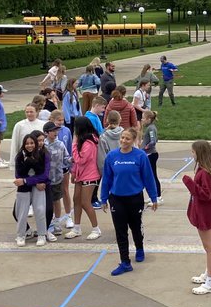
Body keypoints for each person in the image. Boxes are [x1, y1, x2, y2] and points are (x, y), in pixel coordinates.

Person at [100, 128, 159, 276]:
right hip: (116, 199)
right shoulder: (112, 156)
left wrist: (154, 197)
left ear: (133, 141)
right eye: (122, 138)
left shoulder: (140, 156)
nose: (124, 141)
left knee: (136, 227)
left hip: (135, 198)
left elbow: (148, 178)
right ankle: (125, 262)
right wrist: (104, 198)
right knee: (120, 231)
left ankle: (139, 248)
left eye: (127, 139)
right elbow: (107, 178)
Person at [183, 140, 211, 294]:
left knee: (209, 247)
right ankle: (208, 274)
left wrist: (189, 183)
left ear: (199, 153)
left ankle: (210, 282)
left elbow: (205, 194)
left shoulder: (205, 172)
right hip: (205, 212)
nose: (191, 154)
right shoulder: (205, 169)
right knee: (208, 246)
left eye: (193, 152)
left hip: (205, 214)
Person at [67, 116, 103, 241]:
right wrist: (73, 172)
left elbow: (80, 160)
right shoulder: (84, 140)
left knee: (85, 202)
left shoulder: (89, 143)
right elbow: (78, 162)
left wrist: (73, 144)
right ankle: (76, 228)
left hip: (90, 176)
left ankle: (96, 229)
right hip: (80, 175)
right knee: (76, 200)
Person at [140, 110, 161, 196]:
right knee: (150, 176)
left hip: (150, 154)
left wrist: (145, 147)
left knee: (153, 176)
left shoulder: (151, 128)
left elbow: (153, 141)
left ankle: (158, 195)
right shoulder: (150, 128)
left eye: (143, 118)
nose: (142, 120)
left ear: (148, 119)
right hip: (148, 154)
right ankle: (153, 195)